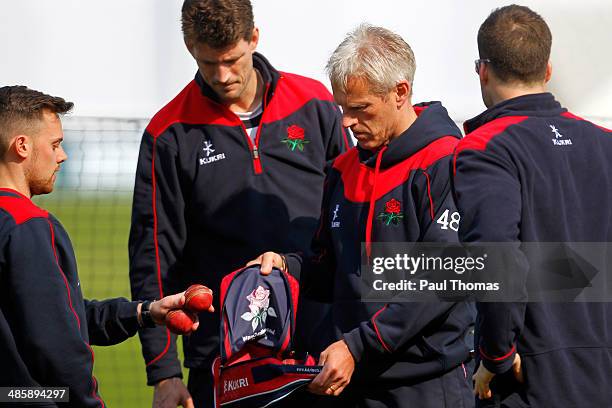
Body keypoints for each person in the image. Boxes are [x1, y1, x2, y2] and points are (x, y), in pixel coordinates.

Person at [128, 0, 350, 406]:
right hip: (223, 355)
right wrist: (163, 372)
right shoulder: (170, 133)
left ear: (253, 38)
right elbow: (153, 257)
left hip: (318, 345)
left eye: (231, 59)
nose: (222, 75)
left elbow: (349, 219)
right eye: (208, 62)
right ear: (189, 46)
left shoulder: (314, 104)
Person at [251, 24, 474, 407]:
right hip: (351, 380)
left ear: (400, 93)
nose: (347, 123)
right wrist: (287, 267)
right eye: (342, 108)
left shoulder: (445, 161)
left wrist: (357, 345)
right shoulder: (342, 169)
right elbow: (329, 272)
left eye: (360, 109)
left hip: (427, 384)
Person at [0, 85, 207, 408]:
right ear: (22, 146)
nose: (62, 155)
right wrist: (88, 402)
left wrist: (144, 312)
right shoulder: (28, 224)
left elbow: (54, 314)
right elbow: (56, 343)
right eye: (55, 144)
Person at [453, 5, 612, 407]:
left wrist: (496, 356)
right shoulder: (605, 142)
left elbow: (495, 258)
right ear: (548, 69)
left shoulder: (486, 147)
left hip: (534, 379)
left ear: (481, 70)